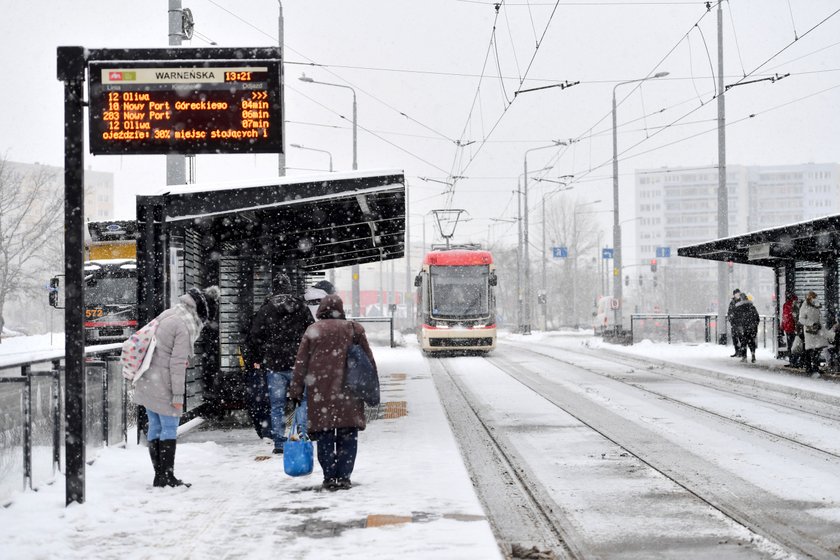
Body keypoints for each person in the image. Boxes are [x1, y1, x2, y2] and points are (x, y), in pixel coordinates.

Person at [133, 285, 220, 488]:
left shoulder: (170, 313)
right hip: (163, 381)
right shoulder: (183, 326)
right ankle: (168, 476)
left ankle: (159, 476)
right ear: (202, 311)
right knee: (170, 427)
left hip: (148, 377)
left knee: (155, 426)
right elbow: (177, 364)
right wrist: (178, 396)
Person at [290, 293, 377, 492]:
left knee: (325, 436)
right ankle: (345, 477)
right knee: (348, 435)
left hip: (321, 393)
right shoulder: (354, 329)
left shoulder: (313, 330)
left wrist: (295, 390)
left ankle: (329, 477)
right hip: (350, 393)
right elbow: (368, 362)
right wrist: (372, 389)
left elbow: (301, 364)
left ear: (321, 309)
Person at [245, 273, 314, 454]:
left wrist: (256, 359)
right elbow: (312, 332)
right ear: (290, 287)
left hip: (274, 365)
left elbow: (254, 336)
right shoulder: (301, 307)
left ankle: (279, 441)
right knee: (301, 401)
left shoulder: (266, 309)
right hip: (298, 364)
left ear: (273, 288)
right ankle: (303, 435)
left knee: (277, 405)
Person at [798, 291, 828, 377]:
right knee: (809, 349)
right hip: (809, 331)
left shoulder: (816, 306)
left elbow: (819, 318)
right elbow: (801, 319)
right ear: (809, 298)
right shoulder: (805, 306)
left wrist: (820, 326)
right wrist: (812, 323)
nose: (815, 299)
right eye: (813, 297)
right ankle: (808, 367)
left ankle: (815, 367)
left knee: (817, 349)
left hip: (817, 330)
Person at [732, 292, 760, 363]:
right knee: (751, 341)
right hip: (752, 328)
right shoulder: (752, 307)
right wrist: (755, 325)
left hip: (743, 328)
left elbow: (735, 318)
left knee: (743, 342)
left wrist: (738, 326)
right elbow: (757, 318)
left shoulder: (739, 308)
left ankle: (744, 357)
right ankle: (753, 355)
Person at [781, 293, 800, 367]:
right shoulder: (795, 305)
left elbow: (784, 317)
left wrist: (782, 327)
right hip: (794, 328)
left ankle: (792, 361)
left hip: (788, 328)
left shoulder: (786, 305)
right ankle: (795, 361)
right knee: (796, 345)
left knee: (790, 345)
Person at [727, 289, 742, 357]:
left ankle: (742, 352)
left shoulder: (741, 301)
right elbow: (729, 312)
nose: (737, 295)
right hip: (734, 323)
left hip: (740, 323)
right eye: (736, 293)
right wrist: (730, 318)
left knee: (741, 338)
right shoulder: (732, 302)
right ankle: (737, 351)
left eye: (738, 293)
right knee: (735, 338)